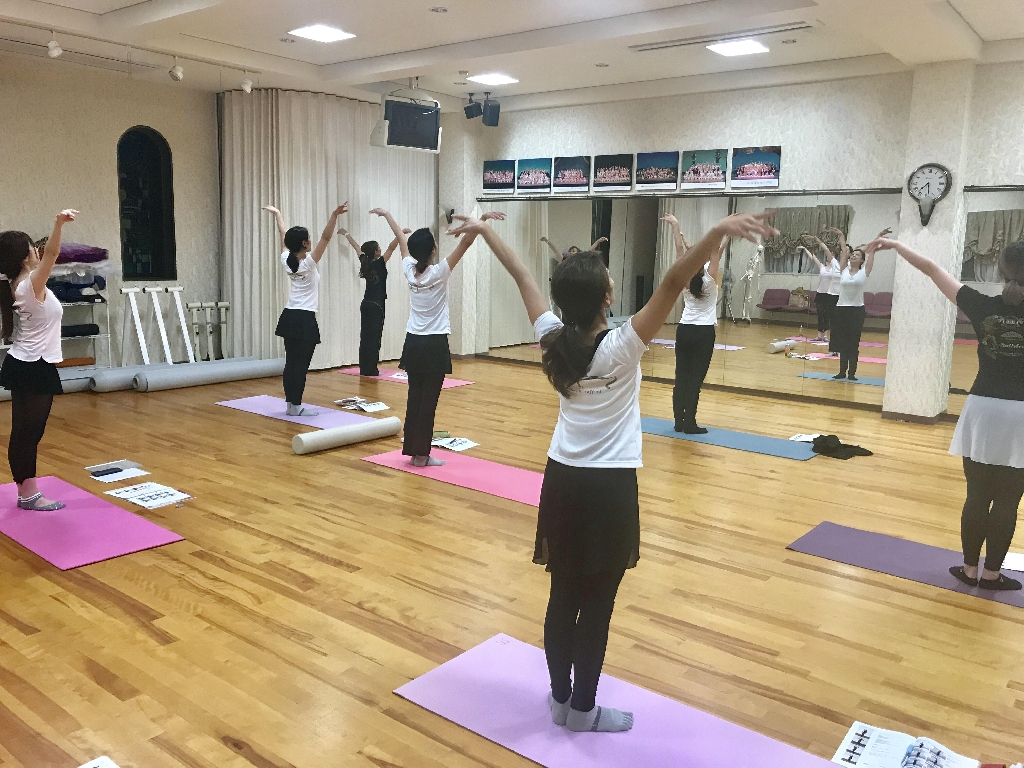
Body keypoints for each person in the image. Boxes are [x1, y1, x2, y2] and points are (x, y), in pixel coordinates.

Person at [448, 210, 777, 733]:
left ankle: (561, 701)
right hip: (610, 487)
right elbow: (673, 281)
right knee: (596, 605)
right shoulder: (624, 345)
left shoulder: (552, 338)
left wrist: (486, 231)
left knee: (562, 597)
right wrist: (716, 233)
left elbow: (522, 275)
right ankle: (583, 712)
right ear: (607, 297)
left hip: (562, 480)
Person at [870, 236, 1024, 591]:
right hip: (1020, 414)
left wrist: (896, 246)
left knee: (977, 494)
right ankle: (991, 575)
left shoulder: (981, 305)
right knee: (1008, 500)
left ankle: (969, 569)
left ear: (1001, 272)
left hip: (983, 410)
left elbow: (931, 268)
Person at [371, 209, 502, 468]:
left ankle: (414, 451)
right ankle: (422, 455)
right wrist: (483, 219)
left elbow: (400, 237)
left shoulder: (409, 270)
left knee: (415, 398)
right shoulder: (440, 271)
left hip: (413, 342)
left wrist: (387, 215)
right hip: (433, 344)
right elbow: (466, 242)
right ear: (433, 249)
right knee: (428, 401)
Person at [0, 210, 78, 510]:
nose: (38, 251)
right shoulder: (30, 284)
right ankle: (29, 495)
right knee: (27, 434)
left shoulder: (19, 283)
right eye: (33, 247)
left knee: (26, 432)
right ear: (24, 257)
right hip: (33, 365)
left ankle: (26, 492)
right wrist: (58, 224)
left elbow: (48, 254)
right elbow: (53, 253)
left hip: (28, 363)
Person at [263, 202, 348, 416]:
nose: (311, 242)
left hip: (289, 316)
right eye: (308, 239)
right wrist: (333, 215)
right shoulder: (308, 264)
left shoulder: (286, 259)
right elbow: (326, 238)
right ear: (304, 243)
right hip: (304, 319)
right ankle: (296, 406)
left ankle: (291, 405)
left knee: (291, 363)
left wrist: (278, 214)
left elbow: (283, 234)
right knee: (300, 366)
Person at [671, 216, 727, 434]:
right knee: (695, 380)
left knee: (681, 377)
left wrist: (676, 226)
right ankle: (689, 423)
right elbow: (715, 253)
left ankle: (679, 422)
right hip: (703, 333)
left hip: (684, 330)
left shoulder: (684, 280)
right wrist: (723, 231)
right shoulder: (710, 282)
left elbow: (680, 252)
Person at [339, 224, 411, 377]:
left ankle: (364, 367)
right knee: (374, 337)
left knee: (365, 337)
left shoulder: (364, 261)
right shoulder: (379, 263)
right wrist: (400, 234)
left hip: (366, 304)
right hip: (377, 305)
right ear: (376, 251)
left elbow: (356, 247)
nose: (380, 249)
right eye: (378, 248)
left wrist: (346, 234)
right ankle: (371, 369)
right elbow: (391, 247)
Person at [831, 244, 876, 381]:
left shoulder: (864, 272)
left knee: (853, 342)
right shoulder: (844, 270)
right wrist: (841, 237)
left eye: (857, 255)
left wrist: (875, 244)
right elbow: (844, 251)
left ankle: (852, 373)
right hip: (842, 309)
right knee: (843, 342)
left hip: (856, 310)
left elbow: (871, 256)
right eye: (853, 254)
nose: (854, 256)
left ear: (862, 260)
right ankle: (841, 372)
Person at [800, 235, 838, 341]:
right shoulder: (822, 267)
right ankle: (819, 335)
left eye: (832, 254)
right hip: (820, 294)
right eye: (829, 254)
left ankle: (825, 335)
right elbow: (813, 257)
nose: (829, 256)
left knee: (827, 315)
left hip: (830, 294)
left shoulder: (836, 268)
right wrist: (805, 249)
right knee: (820, 315)